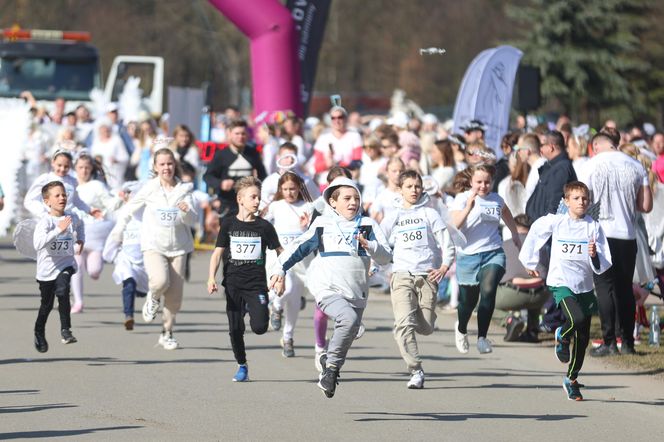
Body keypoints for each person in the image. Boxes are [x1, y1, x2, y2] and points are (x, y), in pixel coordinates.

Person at [271, 177, 392, 398]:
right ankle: (331, 371)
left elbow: (386, 257)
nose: (353, 202)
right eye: (346, 198)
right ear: (333, 203)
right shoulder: (322, 224)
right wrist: (280, 270)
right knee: (347, 319)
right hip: (326, 287)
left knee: (349, 330)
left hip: (357, 290)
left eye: (356, 198)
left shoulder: (368, 225)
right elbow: (298, 248)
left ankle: (330, 363)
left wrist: (371, 246)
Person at [519, 182, 612, 401]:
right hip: (561, 281)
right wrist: (530, 261)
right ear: (567, 201)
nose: (581, 202)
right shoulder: (557, 221)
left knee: (583, 337)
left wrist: (593, 254)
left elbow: (603, 260)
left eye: (585, 199)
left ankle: (571, 380)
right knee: (576, 318)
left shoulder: (593, 226)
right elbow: (535, 233)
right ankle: (561, 334)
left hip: (584, 285)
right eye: (577, 198)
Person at [112, 148, 197, 350]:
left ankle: (166, 333)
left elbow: (194, 219)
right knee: (159, 281)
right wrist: (118, 231)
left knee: (175, 296)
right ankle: (153, 296)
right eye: (162, 164)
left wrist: (186, 212)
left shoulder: (184, 190)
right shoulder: (149, 188)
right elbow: (128, 209)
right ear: (155, 167)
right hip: (153, 245)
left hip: (179, 247)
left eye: (170, 163)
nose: (166, 167)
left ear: (174, 165)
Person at [580, 131, 652, 356]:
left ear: (597, 146)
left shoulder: (591, 165)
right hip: (627, 235)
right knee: (624, 289)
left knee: (604, 288)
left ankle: (610, 341)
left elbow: (583, 201)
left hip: (602, 233)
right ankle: (628, 343)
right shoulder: (636, 165)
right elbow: (646, 205)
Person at [382, 170, 455, 389]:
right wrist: (382, 266)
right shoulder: (393, 215)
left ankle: (419, 318)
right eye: (409, 186)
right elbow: (379, 242)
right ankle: (416, 370)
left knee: (426, 328)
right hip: (402, 275)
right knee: (403, 325)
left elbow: (446, 242)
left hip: (427, 276)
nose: (414, 190)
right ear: (400, 189)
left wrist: (444, 266)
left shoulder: (429, 214)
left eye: (417, 186)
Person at [207, 176, 283, 382]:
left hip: (256, 285)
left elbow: (281, 252)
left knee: (259, 327)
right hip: (232, 284)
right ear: (240, 199)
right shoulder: (229, 224)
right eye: (253, 197)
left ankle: (256, 307)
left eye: (259, 197)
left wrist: (280, 275)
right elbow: (217, 253)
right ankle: (242, 365)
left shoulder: (264, 227)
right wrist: (211, 278)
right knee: (235, 328)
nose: (257, 201)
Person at [450, 164, 521, 354]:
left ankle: (482, 337)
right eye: (479, 182)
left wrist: (514, 234)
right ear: (471, 181)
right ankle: (462, 328)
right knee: (467, 302)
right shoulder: (461, 198)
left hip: (493, 252)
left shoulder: (496, 199)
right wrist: (468, 207)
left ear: (493, 181)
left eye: (487, 182)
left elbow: (506, 213)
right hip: (468, 256)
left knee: (488, 291)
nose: (483, 186)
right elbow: (454, 225)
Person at [263, 173, 314, 357]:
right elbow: (260, 223)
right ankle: (276, 306)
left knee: (294, 300)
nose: (289, 192)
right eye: (285, 189)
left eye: (292, 188)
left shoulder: (308, 206)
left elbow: (315, 232)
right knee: (287, 286)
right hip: (279, 258)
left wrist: (305, 227)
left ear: (300, 187)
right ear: (279, 190)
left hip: (301, 260)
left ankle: (288, 337)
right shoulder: (275, 206)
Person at [33, 181, 85, 352]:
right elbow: (38, 244)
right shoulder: (45, 222)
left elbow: (80, 225)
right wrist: (58, 230)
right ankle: (39, 331)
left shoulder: (72, 217)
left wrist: (80, 240)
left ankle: (66, 331)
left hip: (66, 264)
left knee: (62, 291)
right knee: (46, 305)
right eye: (57, 195)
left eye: (64, 194)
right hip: (46, 270)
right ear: (47, 201)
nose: (62, 198)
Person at [70, 152, 123, 313]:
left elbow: (109, 202)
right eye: (80, 167)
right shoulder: (70, 185)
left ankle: (92, 269)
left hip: (96, 235)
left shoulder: (97, 186)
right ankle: (78, 302)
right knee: (76, 267)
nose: (84, 171)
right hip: (76, 233)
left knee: (94, 270)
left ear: (92, 169)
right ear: (75, 168)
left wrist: (120, 199)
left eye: (87, 167)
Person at [102, 182, 148, 330]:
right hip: (126, 258)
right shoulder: (123, 215)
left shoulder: (148, 216)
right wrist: (114, 256)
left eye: (132, 194)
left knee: (144, 291)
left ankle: (147, 301)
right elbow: (115, 236)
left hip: (145, 261)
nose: (129, 197)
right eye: (127, 194)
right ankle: (129, 316)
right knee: (129, 283)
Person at [496, 214, 548, 342]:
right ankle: (532, 330)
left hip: (513, 294)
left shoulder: (505, 245)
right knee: (537, 288)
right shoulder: (543, 245)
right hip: (541, 295)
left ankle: (508, 320)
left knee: (482, 300)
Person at [204, 120, 267, 217]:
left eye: (243, 133)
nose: (240, 137)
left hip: (248, 204)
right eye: (237, 133)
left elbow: (263, 176)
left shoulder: (253, 153)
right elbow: (207, 176)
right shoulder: (221, 155)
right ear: (229, 134)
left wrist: (256, 188)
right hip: (227, 204)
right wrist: (221, 184)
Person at [24, 150, 100, 220]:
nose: (62, 169)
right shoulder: (45, 179)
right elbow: (30, 200)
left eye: (66, 166)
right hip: (49, 221)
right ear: (53, 163)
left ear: (70, 166)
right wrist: (44, 213)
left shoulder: (72, 181)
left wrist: (89, 210)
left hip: (67, 220)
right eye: (59, 165)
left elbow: (76, 200)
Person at [526, 130, 577, 222]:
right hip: (540, 225)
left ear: (551, 147)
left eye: (541, 145)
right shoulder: (552, 166)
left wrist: (546, 228)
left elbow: (554, 203)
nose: (539, 149)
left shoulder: (561, 168)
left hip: (548, 230)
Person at [311, 105, 363, 182]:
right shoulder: (323, 138)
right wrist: (327, 164)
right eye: (333, 118)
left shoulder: (354, 136)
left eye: (340, 117)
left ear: (345, 118)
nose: (337, 121)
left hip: (348, 178)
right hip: (326, 181)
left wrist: (338, 164)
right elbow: (316, 166)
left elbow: (357, 162)